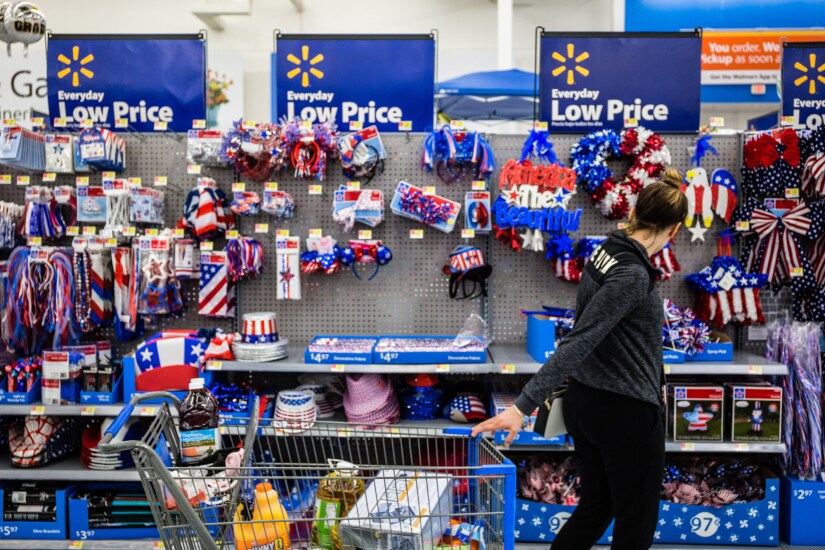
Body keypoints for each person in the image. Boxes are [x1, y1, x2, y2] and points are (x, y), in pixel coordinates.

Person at [472, 169, 689, 550]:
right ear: (674, 230)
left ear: (636, 213)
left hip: (587, 404)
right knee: (635, 526)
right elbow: (579, 340)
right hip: (625, 412)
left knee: (596, 509)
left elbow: (597, 333)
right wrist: (522, 407)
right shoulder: (633, 274)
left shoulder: (609, 249)